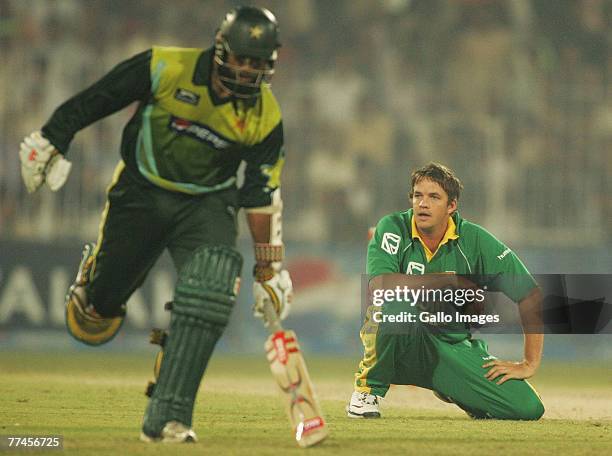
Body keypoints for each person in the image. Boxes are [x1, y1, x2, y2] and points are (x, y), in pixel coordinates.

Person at [18, 6, 293, 443]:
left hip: (208, 202)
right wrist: (54, 136)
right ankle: (96, 283)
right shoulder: (167, 66)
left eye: (258, 62)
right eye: (242, 58)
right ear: (221, 50)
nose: (248, 70)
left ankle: (168, 414)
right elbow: (103, 96)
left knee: (212, 287)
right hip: (142, 192)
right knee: (92, 322)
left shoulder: (266, 116)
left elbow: (260, 193)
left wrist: (268, 268)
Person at [347, 162, 545, 420]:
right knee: (392, 304)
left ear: (451, 206)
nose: (423, 204)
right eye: (418, 196)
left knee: (526, 408)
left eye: (434, 197)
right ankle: (368, 390)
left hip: (448, 345)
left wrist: (529, 363)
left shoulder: (474, 240)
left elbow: (530, 294)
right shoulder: (393, 227)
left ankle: (452, 387)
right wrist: (447, 281)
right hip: (402, 341)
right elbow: (380, 286)